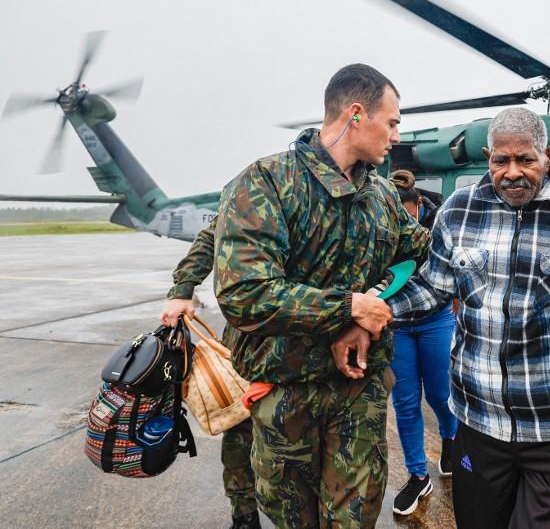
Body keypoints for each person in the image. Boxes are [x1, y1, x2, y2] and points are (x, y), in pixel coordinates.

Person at [383, 107, 550, 529]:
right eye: (501, 161)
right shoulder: (458, 210)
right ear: (488, 157)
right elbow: (434, 286)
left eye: (526, 160)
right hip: (479, 418)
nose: (512, 172)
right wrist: (374, 312)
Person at [213, 63, 431, 528]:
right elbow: (244, 294)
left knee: (356, 519)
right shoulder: (267, 182)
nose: (396, 136)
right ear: (356, 114)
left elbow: (414, 257)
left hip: (358, 391)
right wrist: (349, 307)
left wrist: (367, 310)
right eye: (392, 122)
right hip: (286, 392)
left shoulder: (383, 196)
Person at [160, 226, 259, 529]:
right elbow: (213, 235)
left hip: (318, 338)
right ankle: (243, 515)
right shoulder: (258, 185)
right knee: (239, 426)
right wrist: (182, 290)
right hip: (251, 335)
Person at [386, 170, 460, 516]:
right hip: (396, 325)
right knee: (405, 401)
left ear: (418, 206)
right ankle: (418, 475)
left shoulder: (438, 229)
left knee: (440, 392)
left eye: (407, 213)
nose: (402, 220)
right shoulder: (378, 229)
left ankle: (451, 439)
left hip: (436, 320)